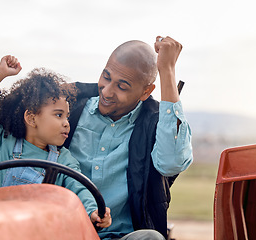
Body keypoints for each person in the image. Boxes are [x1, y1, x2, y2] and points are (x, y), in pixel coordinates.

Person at [63, 36, 193, 239]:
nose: (106, 91)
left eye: (122, 86)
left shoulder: (155, 124)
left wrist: (167, 71)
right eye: (106, 77)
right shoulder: (67, 108)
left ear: (146, 91)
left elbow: (171, 164)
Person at [0, 55, 111, 228]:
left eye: (67, 116)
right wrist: (0, 73)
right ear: (31, 119)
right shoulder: (2, 140)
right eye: (58, 115)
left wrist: (93, 211)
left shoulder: (63, 160)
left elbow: (79, 188)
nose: (66, 123)